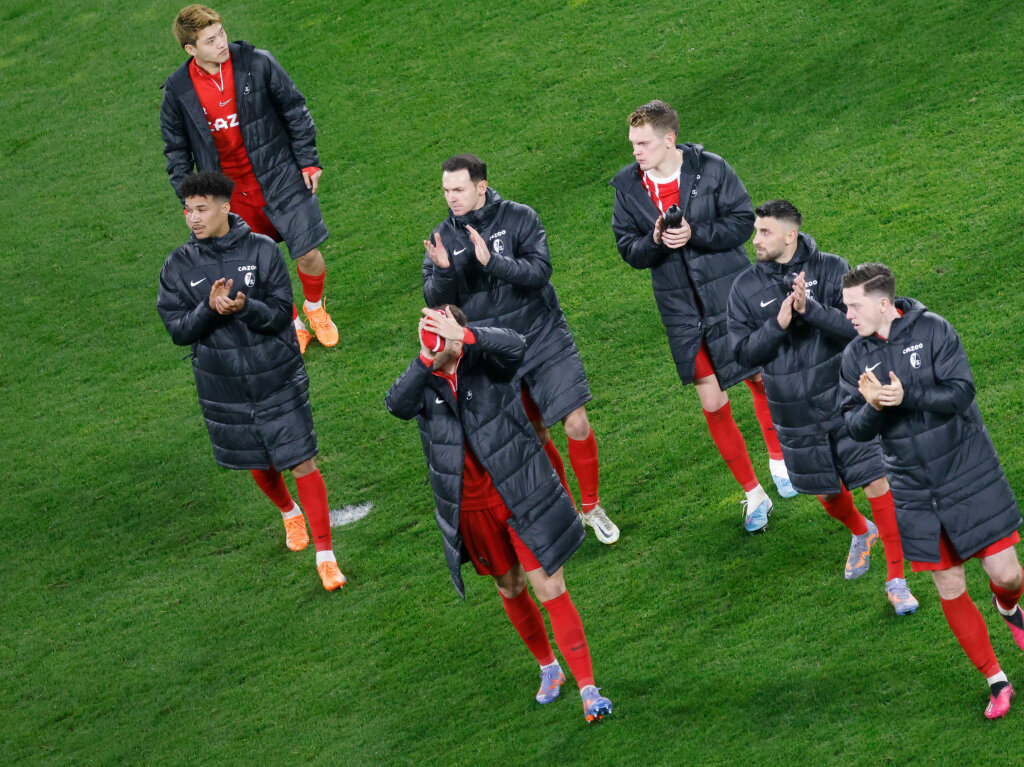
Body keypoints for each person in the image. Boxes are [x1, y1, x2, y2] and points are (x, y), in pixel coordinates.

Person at [385, 304, 613, 723]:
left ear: (460, 329)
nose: (434, 336)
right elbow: (395, 404)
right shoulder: (423, 382)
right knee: (510, 588)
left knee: (550, 587)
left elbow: (514, 345)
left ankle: (588, 688)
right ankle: (549, 668)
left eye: (441, 328)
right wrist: (425, 359)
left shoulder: (488, 362)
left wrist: (465, 338)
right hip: (471, 509)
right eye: (427, 329)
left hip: (519, 493)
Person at [839, 262, 1024, 718]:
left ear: (884, 303)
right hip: (914, 489)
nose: (847, 315)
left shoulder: (935, 330)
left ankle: (1009, 608)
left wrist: (907, 398)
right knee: (950, 584)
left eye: (854, 306)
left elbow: (961, 393)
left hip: (968, 473)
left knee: (1008, 575)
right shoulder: (854, 358)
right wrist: (873, 407)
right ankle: (996, 680)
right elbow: (855, 429)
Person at [157, 171, 345, 592]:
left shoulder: (262, 250)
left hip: (276, 375)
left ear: (226, 207)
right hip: (223, 386)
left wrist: (244, 307)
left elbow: (280, 313)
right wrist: (209, 310)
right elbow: (178, 331)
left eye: (202, 209)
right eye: (188, 210)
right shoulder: (178, 265)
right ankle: (288, 513)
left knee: (301, 458)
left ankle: (326, 556)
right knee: (258, 462)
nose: (194, 218)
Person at [610, 99, 792, 533]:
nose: (636, 151)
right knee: (712, 401)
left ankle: (780, 458)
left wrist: (697, 233)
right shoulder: (628, 189)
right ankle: (754, 494)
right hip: (679, 309)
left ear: (669, 139)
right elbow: (627, 249)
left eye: (644, 143)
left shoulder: (710, 167)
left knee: (759, 376)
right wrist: (654, 240)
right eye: (633, 143)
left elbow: (744, 221)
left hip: (729, 293)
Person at [727, 201, 917, 614]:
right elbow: (741, 354)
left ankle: (897, 578)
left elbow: (855, 329)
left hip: (845, 397)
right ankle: (860, 531)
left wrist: (809, 310)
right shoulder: (744, 288)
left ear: (790, 235)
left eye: (764, 232)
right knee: (827, 493)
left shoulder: (832, 269)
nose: (755, 240)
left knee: (875, 480)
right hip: (792, 412)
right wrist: (777, 324)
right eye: (756, 231)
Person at [422, 154, 619, 544]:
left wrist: (493, 262)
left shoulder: (520, 217)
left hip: (543, 336)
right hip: (495, 354)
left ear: (481, 186)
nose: (451, 198)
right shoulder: (443, 236)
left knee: (576, 422)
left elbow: (539, 272)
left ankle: (592, 507)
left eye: (458, 189)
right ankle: (565, 511)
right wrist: (444, 272)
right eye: (446, 191)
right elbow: (438, 303)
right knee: (536, 436)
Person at [161, 4, 337, 355]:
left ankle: (315, 308)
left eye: (221, 33)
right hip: (228, 192)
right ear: (191, 49)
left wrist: (308, 162)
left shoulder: (257, 62)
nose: (221, 43)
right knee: (252, 267)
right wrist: (192, 198)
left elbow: (295, 110)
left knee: (309, 253)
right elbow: (176, 150)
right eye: (210, 40)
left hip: (279, 175)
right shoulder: (178, 91)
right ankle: (291, 323)